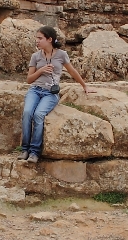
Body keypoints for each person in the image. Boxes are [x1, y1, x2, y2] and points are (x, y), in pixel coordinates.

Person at [21, 25, 89, 164]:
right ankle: (24, 149)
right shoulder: (35, 56)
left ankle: (34, 152)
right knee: (27, 112)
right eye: (37, 38)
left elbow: (72, 71)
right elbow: (29, 80)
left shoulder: (61, 55)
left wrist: (84, 86)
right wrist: (41, 70)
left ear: (49, 39)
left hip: (50, 93)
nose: (37, 41)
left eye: (40, 38)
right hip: (35, 90)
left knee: (39, 114)